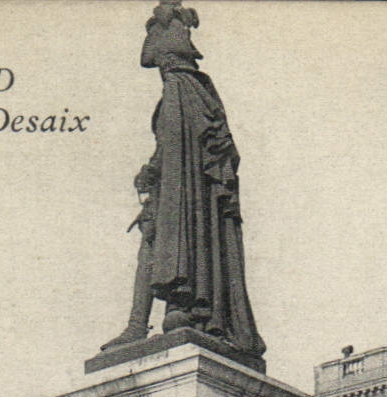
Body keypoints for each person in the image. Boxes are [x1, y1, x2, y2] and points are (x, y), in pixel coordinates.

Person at [101, 0, 265, 358]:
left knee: (157, 239)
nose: (155, 65)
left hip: (182, 200)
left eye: (158, 59)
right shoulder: (193, 91)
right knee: (153, 237)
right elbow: (172, 149)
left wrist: (157, 172)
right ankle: (143, 321)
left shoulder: (179, 88)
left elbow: (182, 153)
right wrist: (153, 168)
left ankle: (166, 312)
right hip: (176, 195)